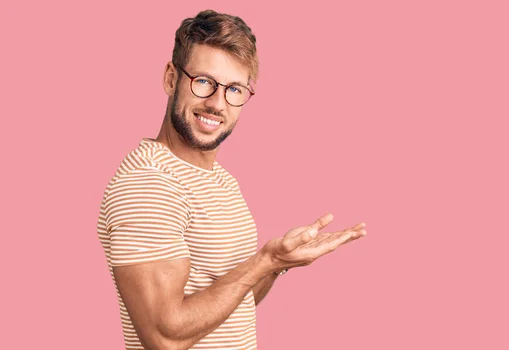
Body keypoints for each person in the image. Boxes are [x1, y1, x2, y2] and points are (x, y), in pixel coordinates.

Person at [97, 9, 366, 350]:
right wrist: (265, 261)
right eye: (204, 82)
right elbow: (163, 338)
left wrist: (276, 265)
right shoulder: (148, 185)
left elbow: (230, 305)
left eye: (235, 89)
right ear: (170, 78)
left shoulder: (221, 181)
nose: (217, 104)